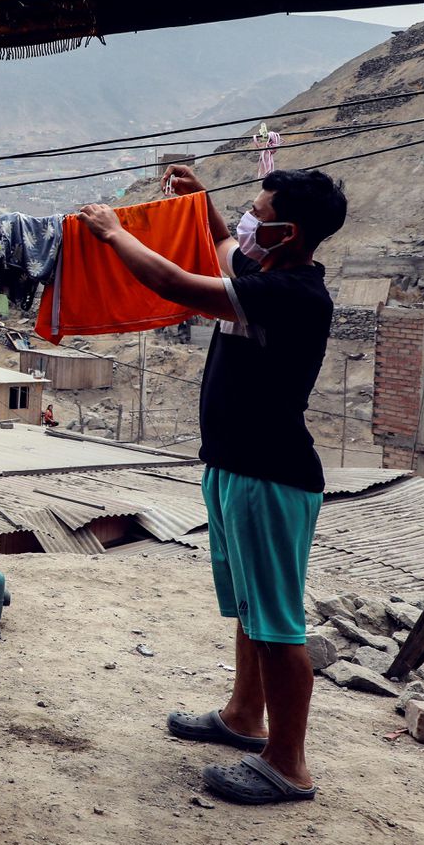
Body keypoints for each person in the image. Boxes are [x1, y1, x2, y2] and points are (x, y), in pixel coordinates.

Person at [77, 165, 346, 806]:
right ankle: (243, 718)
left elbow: (175, 281)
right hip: (234, 467)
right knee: (252, 608)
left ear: (290, 232)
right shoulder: (267, 275)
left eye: (259, 214)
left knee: (277, 624)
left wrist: (114, 233)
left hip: (270, 476)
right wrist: (205, 208)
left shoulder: (295, 296)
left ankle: (288, 765)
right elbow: (227, 250)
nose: (247, 221)